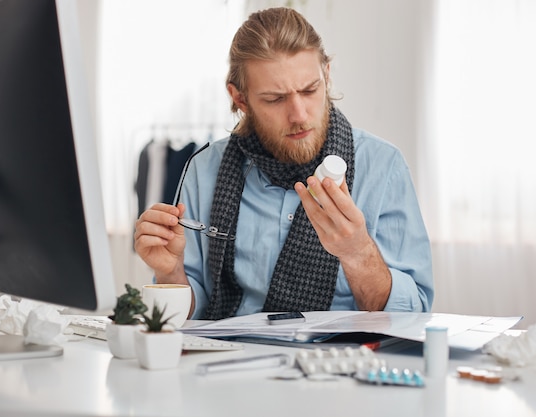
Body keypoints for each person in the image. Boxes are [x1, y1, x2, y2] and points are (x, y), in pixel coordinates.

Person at [134, 7, 433, 320]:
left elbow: (414, 315)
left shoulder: (384, 167)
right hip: (231, 359)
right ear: (240, 99)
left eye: (310, 90)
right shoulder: (204, 170)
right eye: (275, 99)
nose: (299, 115)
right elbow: (194, 311)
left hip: (342, 362)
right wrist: (170, 274)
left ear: (327, 75)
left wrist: (358, 252)